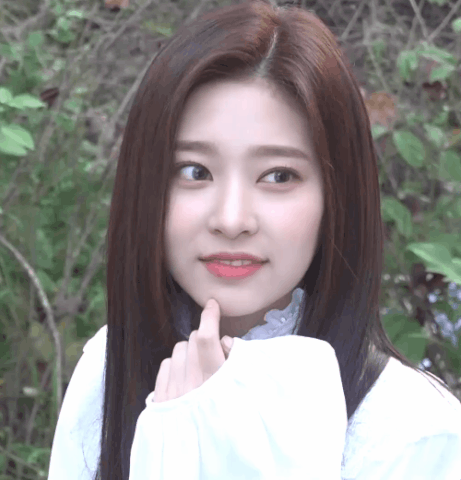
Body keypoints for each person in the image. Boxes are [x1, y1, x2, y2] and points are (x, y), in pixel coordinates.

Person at [47, 1, 461, 479]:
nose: (232, 220)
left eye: (278, 175)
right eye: (194, 171)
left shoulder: (415, 433)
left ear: (337, 196)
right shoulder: (106, 371)